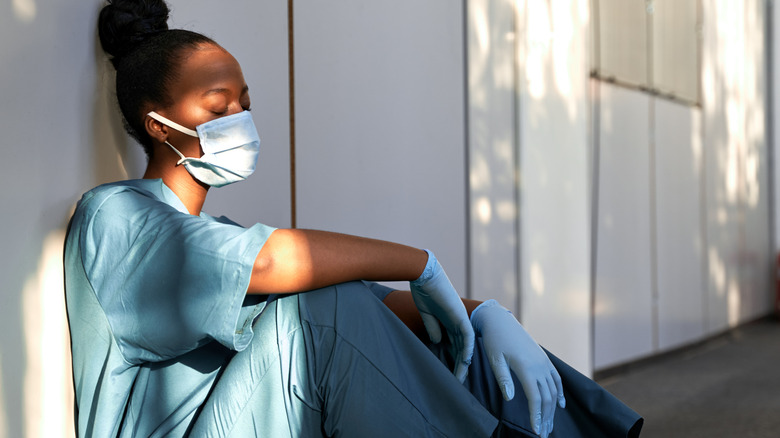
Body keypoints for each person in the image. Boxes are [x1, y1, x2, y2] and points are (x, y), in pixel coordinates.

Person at [64, 1, 643, 437]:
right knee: (319, 309)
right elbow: (276, 265)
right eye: (219, 106)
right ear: (160, 126)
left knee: (454, 337)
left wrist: (484, 313)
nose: (240, 116)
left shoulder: (220, 237)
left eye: (245, 102)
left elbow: (372, 303)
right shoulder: (115, 216)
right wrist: (421, 262)